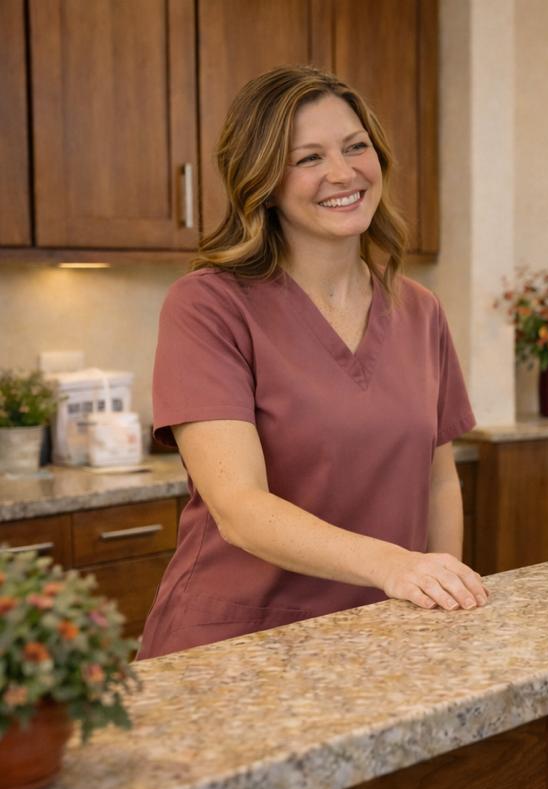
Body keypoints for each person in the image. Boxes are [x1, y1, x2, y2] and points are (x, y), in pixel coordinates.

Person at [138, 67, 489, 659]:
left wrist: (441, 596)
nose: (343, 172)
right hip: (236, 646)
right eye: (308, 158)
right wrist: (394, 565)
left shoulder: (419, 310)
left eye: (356, 147)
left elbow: (438, 479)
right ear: (263, 180)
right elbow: (239, 508)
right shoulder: (208, 305)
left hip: (383, 636)